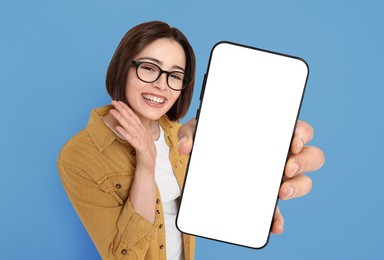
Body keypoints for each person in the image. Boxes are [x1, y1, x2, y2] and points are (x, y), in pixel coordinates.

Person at [57, 21, 325, 260]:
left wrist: (256, 190)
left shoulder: (178, 134)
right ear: (122, 68)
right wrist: (145, 164)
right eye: (149, 68)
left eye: (174, 76)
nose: (162, 85)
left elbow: (209, 198)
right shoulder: (79, 156)